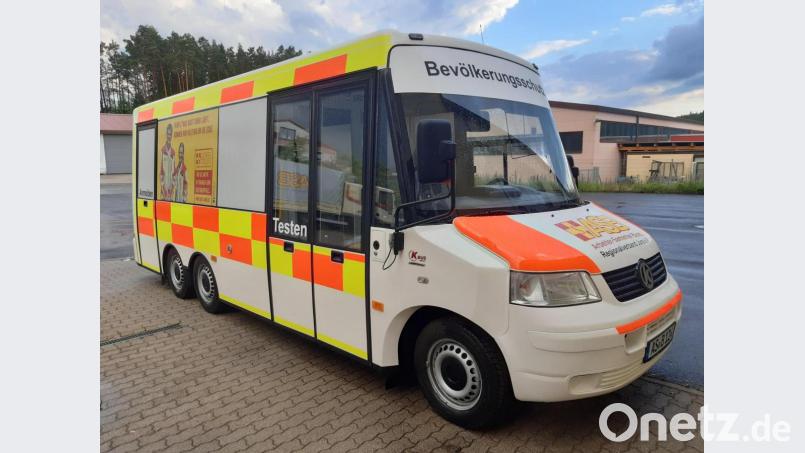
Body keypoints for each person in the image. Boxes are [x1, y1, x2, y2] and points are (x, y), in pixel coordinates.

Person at [159, 124, 176, 200]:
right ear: (166, 134)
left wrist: (172, 190)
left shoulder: (173, 152)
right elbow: (161, 172)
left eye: (170, 134)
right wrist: (163, 189)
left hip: (170, 191)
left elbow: (174, 173)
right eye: (168, 134)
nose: (169, 136)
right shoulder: (162, 150)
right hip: (164, 190)